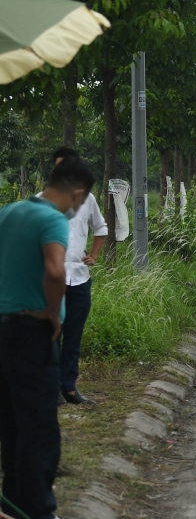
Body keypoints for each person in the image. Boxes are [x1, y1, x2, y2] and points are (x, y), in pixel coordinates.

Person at [0, 156, 94, 519]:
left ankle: (14, 501)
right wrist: (52, 314)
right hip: (30, 334)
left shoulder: (8, 212)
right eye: (81, 202)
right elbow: (55, 270)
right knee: (39, 426)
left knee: (10, 424)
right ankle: (39, 510)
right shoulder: (52, 219)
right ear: (78, 194)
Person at [40, 147, 108, 406]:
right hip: (50, 277)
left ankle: (69, 387)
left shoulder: (87, 199)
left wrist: (94, 255)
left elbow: (100, 227)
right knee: (50, 334)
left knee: (73, 335)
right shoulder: (41, 200)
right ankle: (52, 388)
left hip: (79, 277)